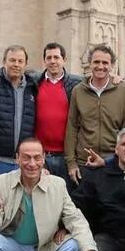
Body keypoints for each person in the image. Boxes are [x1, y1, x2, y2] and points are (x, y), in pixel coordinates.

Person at [64, 45, 125, 184]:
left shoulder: (123, 90)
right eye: (96, 62)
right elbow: (72, 127)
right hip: (85, 163)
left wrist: (122, 161)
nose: (100, 66)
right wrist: (71, 163)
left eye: (105, 63)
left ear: (112, 65)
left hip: (113, 162)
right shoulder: (78, 91)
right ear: (90, 63)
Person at [34, 43, 82, 180]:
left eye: (56, 57)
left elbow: (98, 80)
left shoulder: (76, 84)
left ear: (64, 60)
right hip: (41, 156)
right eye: (49, 58)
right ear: (44, 61)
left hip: (66, 157)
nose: (53, 61)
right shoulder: (34, 82)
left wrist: (115, 78)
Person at [0, 45, 38, 175]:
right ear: (4, 62)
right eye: (12, 60)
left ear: (25, 65)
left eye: (20, 61)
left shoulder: (33, 87)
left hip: (23, 162)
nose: (16, 64)